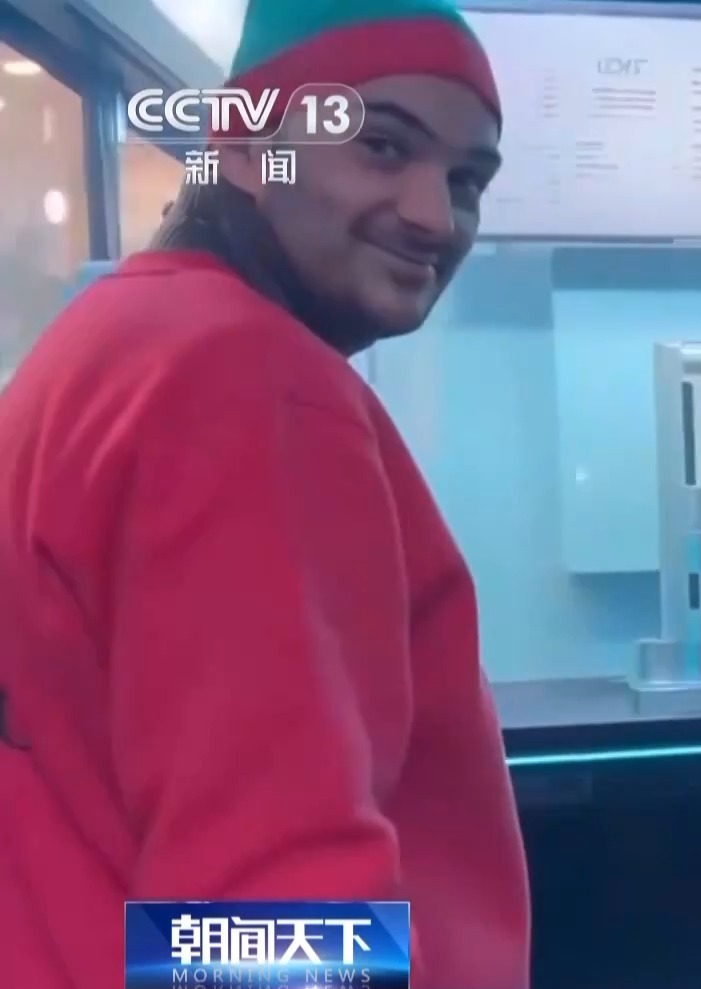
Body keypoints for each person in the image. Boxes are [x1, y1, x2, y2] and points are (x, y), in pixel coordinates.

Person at [0, 2, 529, 986]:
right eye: (381, 146)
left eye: (467, 180)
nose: (434, 215)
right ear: (247, 149)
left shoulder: (102, 345)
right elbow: (273, 909)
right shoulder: (251, 382)